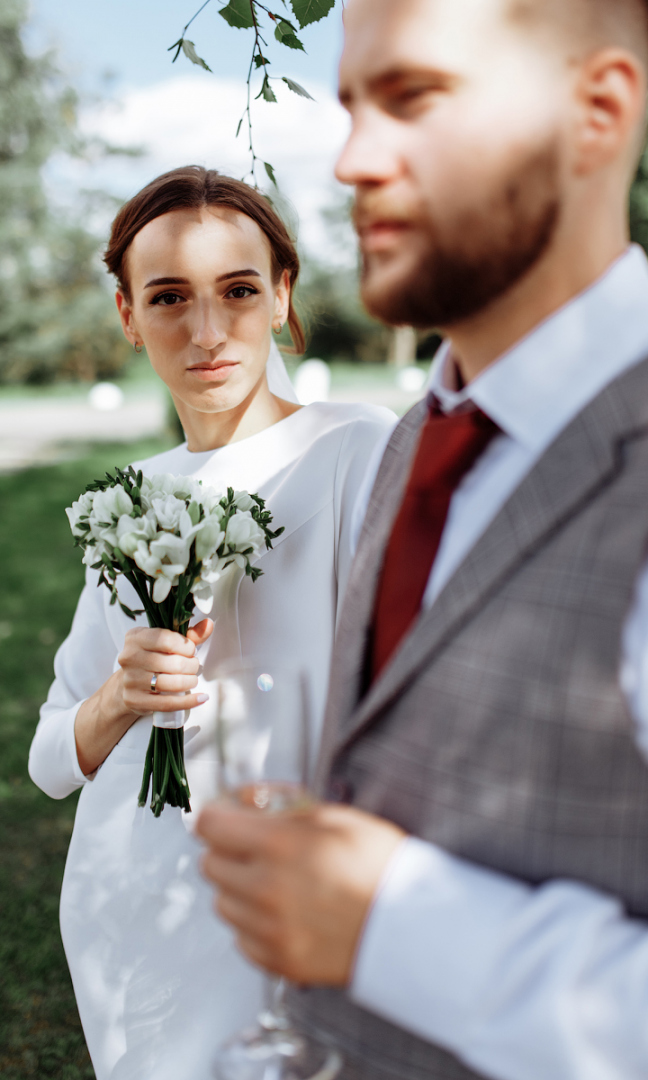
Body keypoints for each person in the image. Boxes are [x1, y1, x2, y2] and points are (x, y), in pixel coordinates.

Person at [196, 1, 648, 1078]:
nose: (351, 159)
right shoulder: (415, 440)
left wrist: (392, 928)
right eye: (354, 105)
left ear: (597, 112)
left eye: (416, 98)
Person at [27, 166, 395, 1080]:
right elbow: (48, 762)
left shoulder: (357, 450)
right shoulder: (130, 498)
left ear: (281, 295)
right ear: (126, 315)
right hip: (128, 907)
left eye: (237, 290)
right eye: (167, 298)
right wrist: (120, 694)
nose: (205, 331)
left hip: (289, 907)